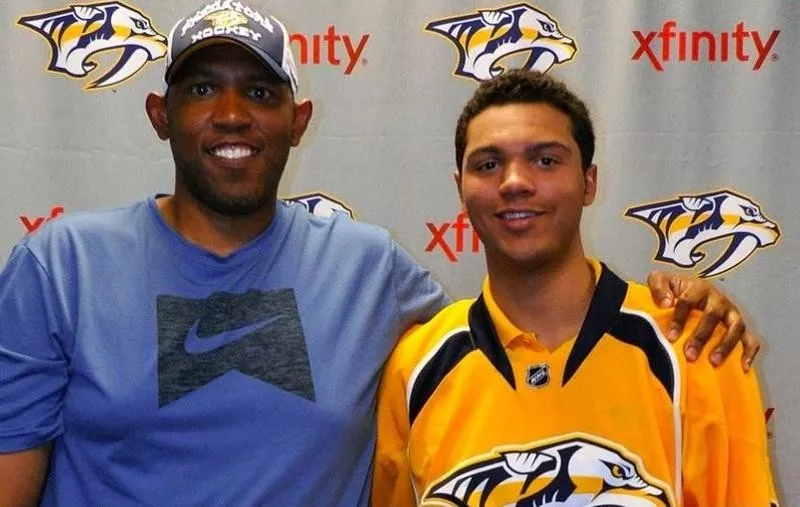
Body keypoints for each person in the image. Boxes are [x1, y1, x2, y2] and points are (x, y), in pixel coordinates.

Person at [0, 3, 762, 506]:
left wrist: (694, 298)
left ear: (298, 122)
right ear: (161, 113)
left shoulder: (371, 272)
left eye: (261, 94)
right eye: (203, 89)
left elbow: (509, 335)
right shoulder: (59, 267)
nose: (232, 114)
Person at [371, 69, 779, 506]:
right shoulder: (414, 368)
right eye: (488, 164)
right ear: (461, 189)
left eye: (545, 160)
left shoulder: (694, 346)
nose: (515, 182)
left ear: (589, 182)